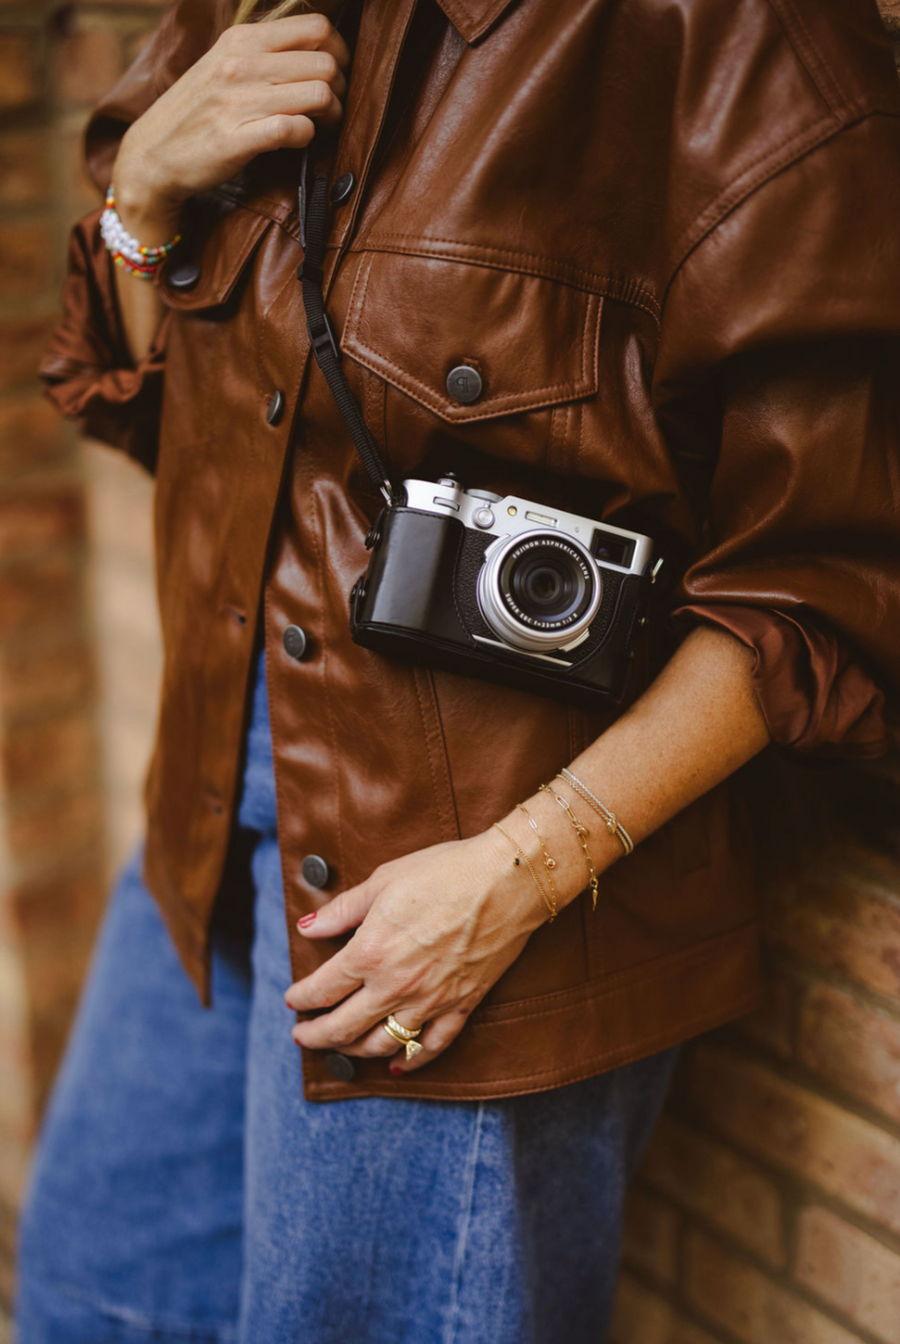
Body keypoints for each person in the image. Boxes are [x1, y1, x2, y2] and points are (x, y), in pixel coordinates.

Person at [13, 0, 900, 1340]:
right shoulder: (266, 13)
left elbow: (830, 587)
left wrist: (513, 880)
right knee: (95, 1297)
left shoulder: (735, 44)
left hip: (473, 907)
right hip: (206, 841)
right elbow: (184, 434)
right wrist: (143, 202)